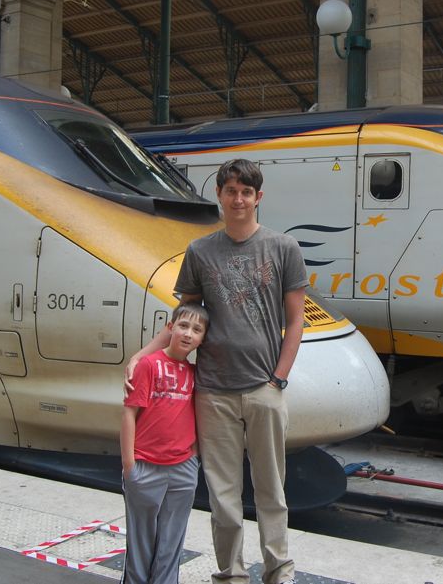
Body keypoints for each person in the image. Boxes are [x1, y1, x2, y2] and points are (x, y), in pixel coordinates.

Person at [126, 158, 306, 584]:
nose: (238, 199)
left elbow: (296, 319)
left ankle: (278, 570)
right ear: (220, 197)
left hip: (264, 387)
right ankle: (231, 573)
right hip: (211, 392)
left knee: (271, 490)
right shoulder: (200, 251)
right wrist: (143, 354)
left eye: (246, 192)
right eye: (231, 191)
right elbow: (184, 316)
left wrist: (278, 378)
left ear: (258, 198)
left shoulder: (284, 248)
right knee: (223, 495)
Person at [121, 302, 208, 584]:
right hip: (144, 467)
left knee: (172, 541)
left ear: (202, 339)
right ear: (170, 329)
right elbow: (130, 413)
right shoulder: (149, 364)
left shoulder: (196, 375)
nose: (188, 334)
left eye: (197, 330)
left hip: (182, 469)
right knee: (140, 540)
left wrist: (193, 456)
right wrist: (129, 465)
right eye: (183, 326)